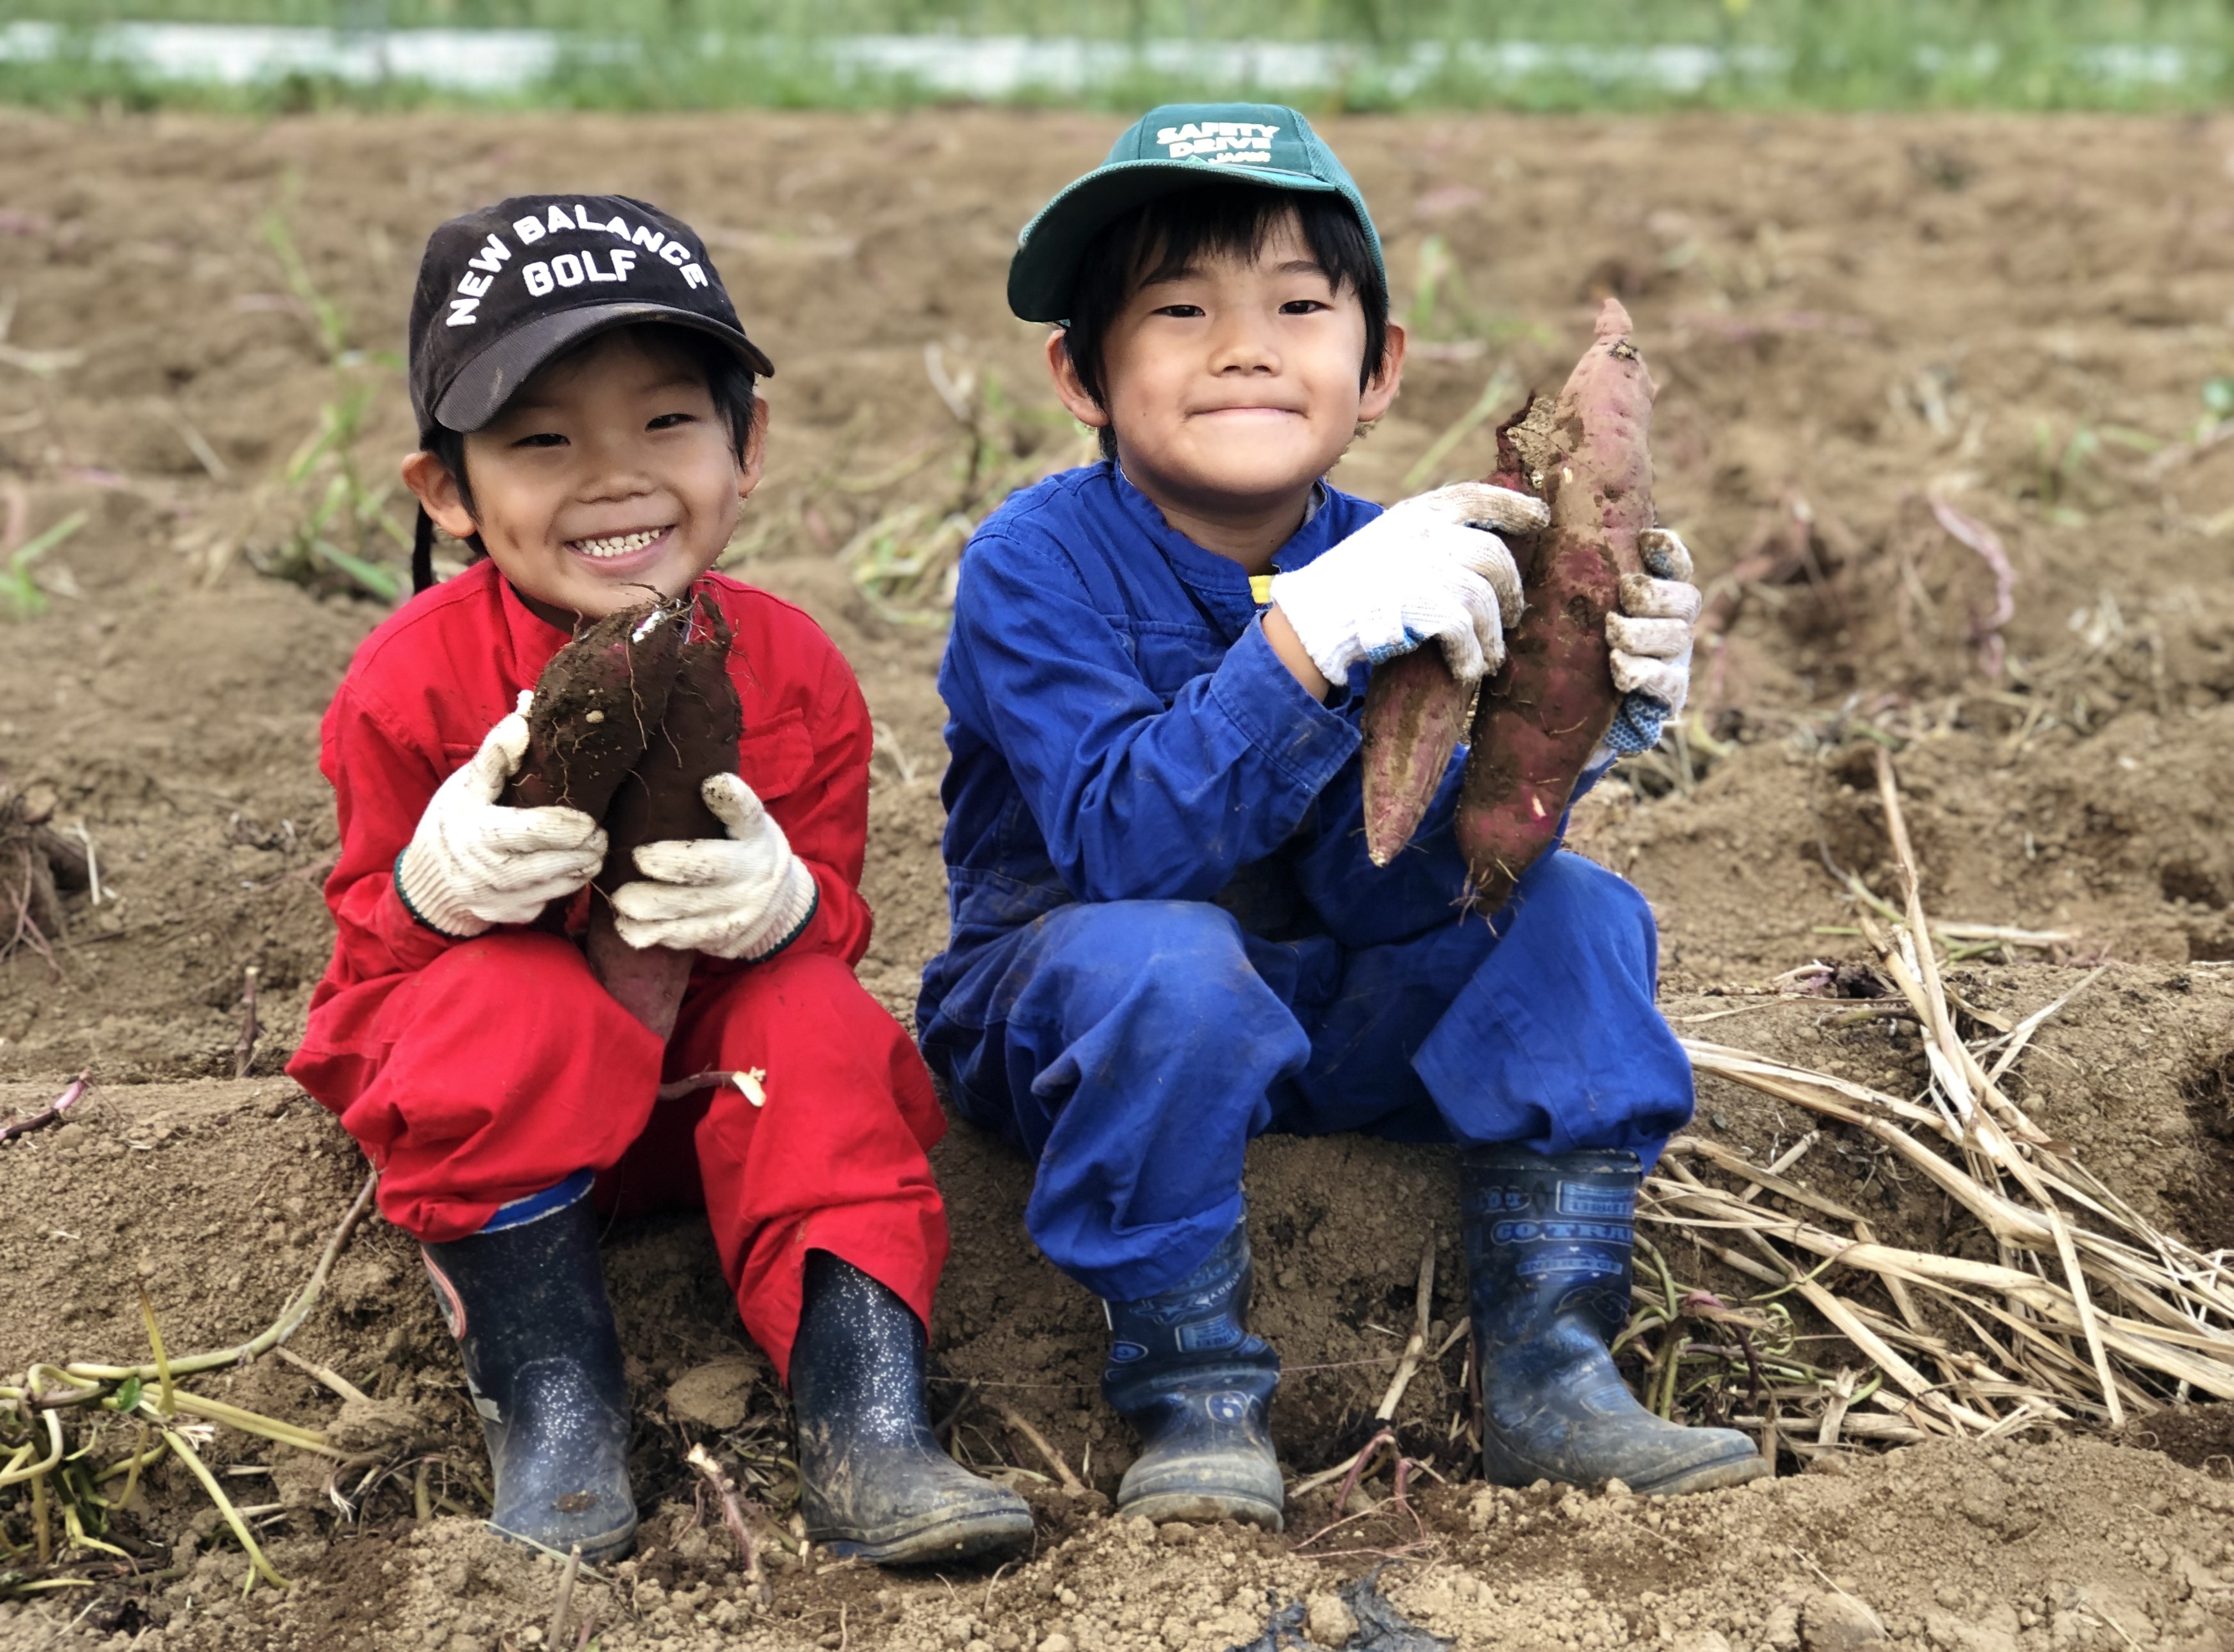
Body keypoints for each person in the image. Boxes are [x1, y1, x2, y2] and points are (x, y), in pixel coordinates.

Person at [916, 106, 1767, 1531]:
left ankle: (1554, 1359)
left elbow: (1396, 888)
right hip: (1074, 1022)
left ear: (1376, 371)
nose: (1244, 346)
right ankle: (1192, 1381)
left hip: (1322, 1013)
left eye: (1300, 309)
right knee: (1169, 958)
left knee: (1578, 914)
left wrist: (1565, 739)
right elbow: (1124, 849)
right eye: (1180, 309)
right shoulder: (1034, 564)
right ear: (1081, 371)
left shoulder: (1420, 562)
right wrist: (1303, 650)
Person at [288, 194, 1031, 1567]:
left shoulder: (795, 667)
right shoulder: (410, 680)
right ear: (449, 491)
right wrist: (438, 885)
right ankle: (556, 1408)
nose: (615, 476)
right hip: (501, 1108)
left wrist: (789, 902)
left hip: (702, 1102)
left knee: (814, 1024)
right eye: (543, 440)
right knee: (504, 997)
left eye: (667, 422)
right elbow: (369, 965)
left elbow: (835, 925)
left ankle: (868, 1422)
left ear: (748, 445)